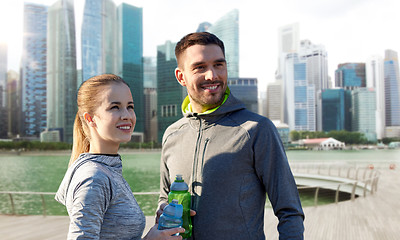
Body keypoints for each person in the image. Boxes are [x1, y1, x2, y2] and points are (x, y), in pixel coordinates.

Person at [157, 32, 305, 239]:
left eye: (219, 65)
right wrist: (163, 210)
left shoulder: (257, 129)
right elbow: (164, 196)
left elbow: (290, 211)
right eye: (200, 67)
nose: (212, 75)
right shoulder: (172, 134)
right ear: (181, 77)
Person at [55, 74, 184, 239]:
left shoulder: (108, 170)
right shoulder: (94, 178)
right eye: (114, 107)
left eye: (130, 106)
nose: (127, 115)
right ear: (90, 119)